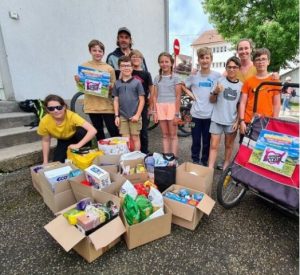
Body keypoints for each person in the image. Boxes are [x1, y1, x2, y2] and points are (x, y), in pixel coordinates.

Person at [74, 39, 119, 141]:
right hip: (92, 105)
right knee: (98, 132)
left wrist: (111, 86)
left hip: (106, 105)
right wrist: (78, 81)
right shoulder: (84, 66)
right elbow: (82, 85)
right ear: (90, 51)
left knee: (113, 130)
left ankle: (117, 151)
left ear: (103, 53)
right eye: (94, 50)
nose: (97, 53)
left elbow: (114, 85)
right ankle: (102, 152)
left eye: (100, 51)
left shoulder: (109, 68)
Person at [184, 47, 221, 166]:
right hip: (195, 115)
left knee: (206, 141)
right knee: (195, 140)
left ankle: (204, 161)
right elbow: (181, 85)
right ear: (198, 60)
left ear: (211, 59)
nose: (204, 60)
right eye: (202, 58)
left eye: (207, 58)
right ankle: (195, 160)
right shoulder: (193, 76)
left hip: (210, 116)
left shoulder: (217, 76)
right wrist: (189, 93)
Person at [37, 94, 97, 164]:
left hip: (76, 137)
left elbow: (93, 130)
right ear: (47, 109)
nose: (56, 110)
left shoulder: (71, 115)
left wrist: (78, 145)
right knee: (57, 162)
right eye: (51, 108)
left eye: (59, 107)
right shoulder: (44, 121)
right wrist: (45, 161)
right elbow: (46, 141)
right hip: (63, 140)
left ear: (64, 107)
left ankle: (85, 152)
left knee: (82, 131)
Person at [208, 56, 242, 170]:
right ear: (226, 68)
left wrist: (237, 121)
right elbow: (211, 100)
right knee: (213, 145)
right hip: (216, 119)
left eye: (234, 67)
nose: (232, 69)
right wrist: (216, 92)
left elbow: (240, 105)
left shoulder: (241, 86)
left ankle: (226, 164)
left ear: (238, 69)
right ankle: (210, 168)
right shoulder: (219, 81)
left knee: (229, 145)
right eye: (229, 67)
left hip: (231, 121)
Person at [239, 48, 281, 138]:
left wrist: (274, 122)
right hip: (249, 120)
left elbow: (277, 104)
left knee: (261, 150)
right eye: (257, 60)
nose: (260, 62)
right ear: (254, 63)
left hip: (266, 121)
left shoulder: (274, 81)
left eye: (263, 59)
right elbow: (242, 103)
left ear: (268, 62)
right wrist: (241, 121)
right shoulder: (248, 82)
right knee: (246, 149)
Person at [112, 56, 145, 150]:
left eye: (128, 65)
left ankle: (136, 157)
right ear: (119, 67)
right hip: (122, 116)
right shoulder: (117, 83)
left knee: (135, 137)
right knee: (125, 139)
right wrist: (116, 116)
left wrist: (137, 115)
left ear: (132, 67)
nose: (126, 68)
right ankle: (127, 158)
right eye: (123, 66)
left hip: (135, 116)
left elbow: (142, 100)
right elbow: (116, 100)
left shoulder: (137, 83)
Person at [152, 52, 181, 157]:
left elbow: (178, 96)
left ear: (171, 63)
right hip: (160, 107)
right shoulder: (156, 78)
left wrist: (177, 114)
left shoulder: (176, 78)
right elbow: (154, 96)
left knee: (173, 135)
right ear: (159, 64)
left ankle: (173, 159)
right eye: (161, 62)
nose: (164, 64)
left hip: (172, 107)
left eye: (166, 62)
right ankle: (166, 157)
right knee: (165, 135)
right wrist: (154, 111)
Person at [129, 49, 154, 154]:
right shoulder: (127, 72)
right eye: (133, 57)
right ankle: (132, 152)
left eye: (138, 57)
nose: (135, 58)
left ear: (141, 59)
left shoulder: (146, 74)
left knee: (143, 131)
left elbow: (152, 91)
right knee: (131, 131)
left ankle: (144, 152)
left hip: (142, 106)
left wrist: (151, 107)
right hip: (129, 106)